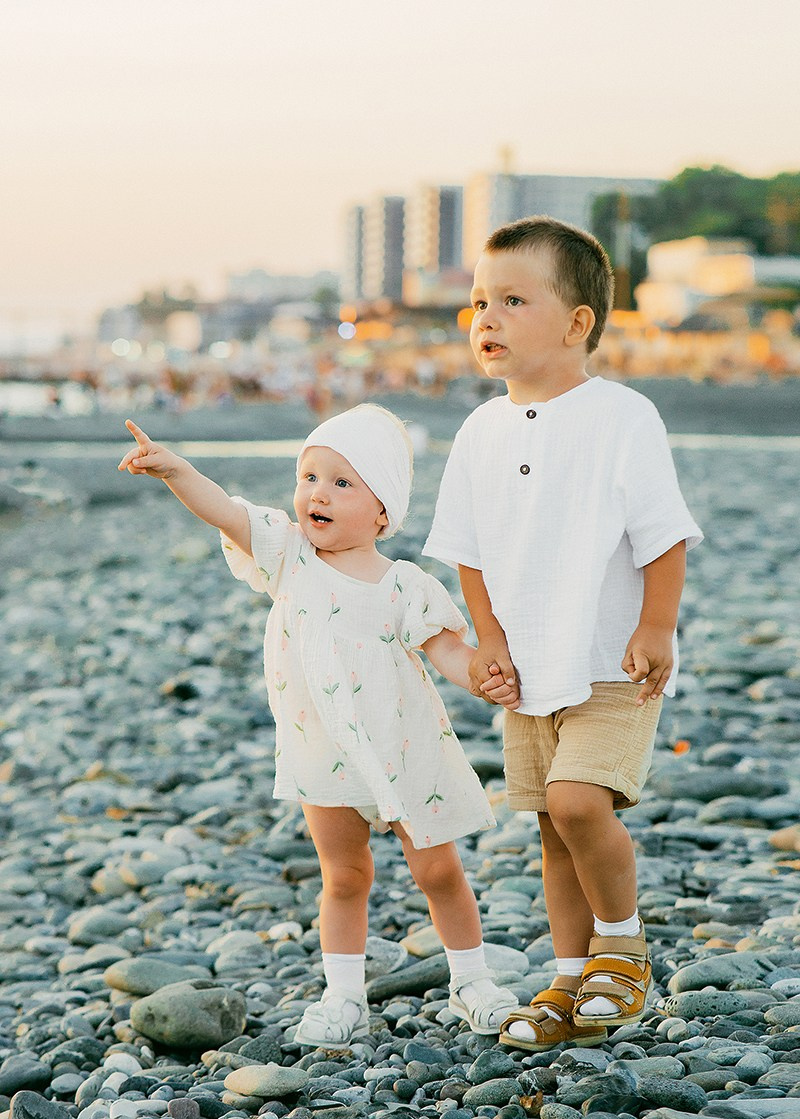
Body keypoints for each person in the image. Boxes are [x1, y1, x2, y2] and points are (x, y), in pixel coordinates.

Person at [117, 404, 519, 1049]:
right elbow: (223, 508)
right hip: (320, 747)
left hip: (403, 745)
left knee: (438, 870)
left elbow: (449, 651)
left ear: (383, 511)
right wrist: (175, 470)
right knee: (343, 874)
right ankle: (345, 995)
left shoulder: (404, 585)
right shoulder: (288, 555)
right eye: (309, 477)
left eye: (341, 482)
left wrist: (486, 677)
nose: (317, 494)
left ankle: (472, 980)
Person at [423, 216, 703, 1051]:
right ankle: (571, 974)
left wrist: (658, 624)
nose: (487, 319)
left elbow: (663, 533)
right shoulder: (480, 430)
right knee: (552, 825)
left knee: (583, 803)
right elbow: (468, 554)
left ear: (578, 322)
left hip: (612, 660)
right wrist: (488, 642)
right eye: (478, 302)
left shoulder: (621, 416)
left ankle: (623, 945)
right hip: (530, 667)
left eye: (512, 299)